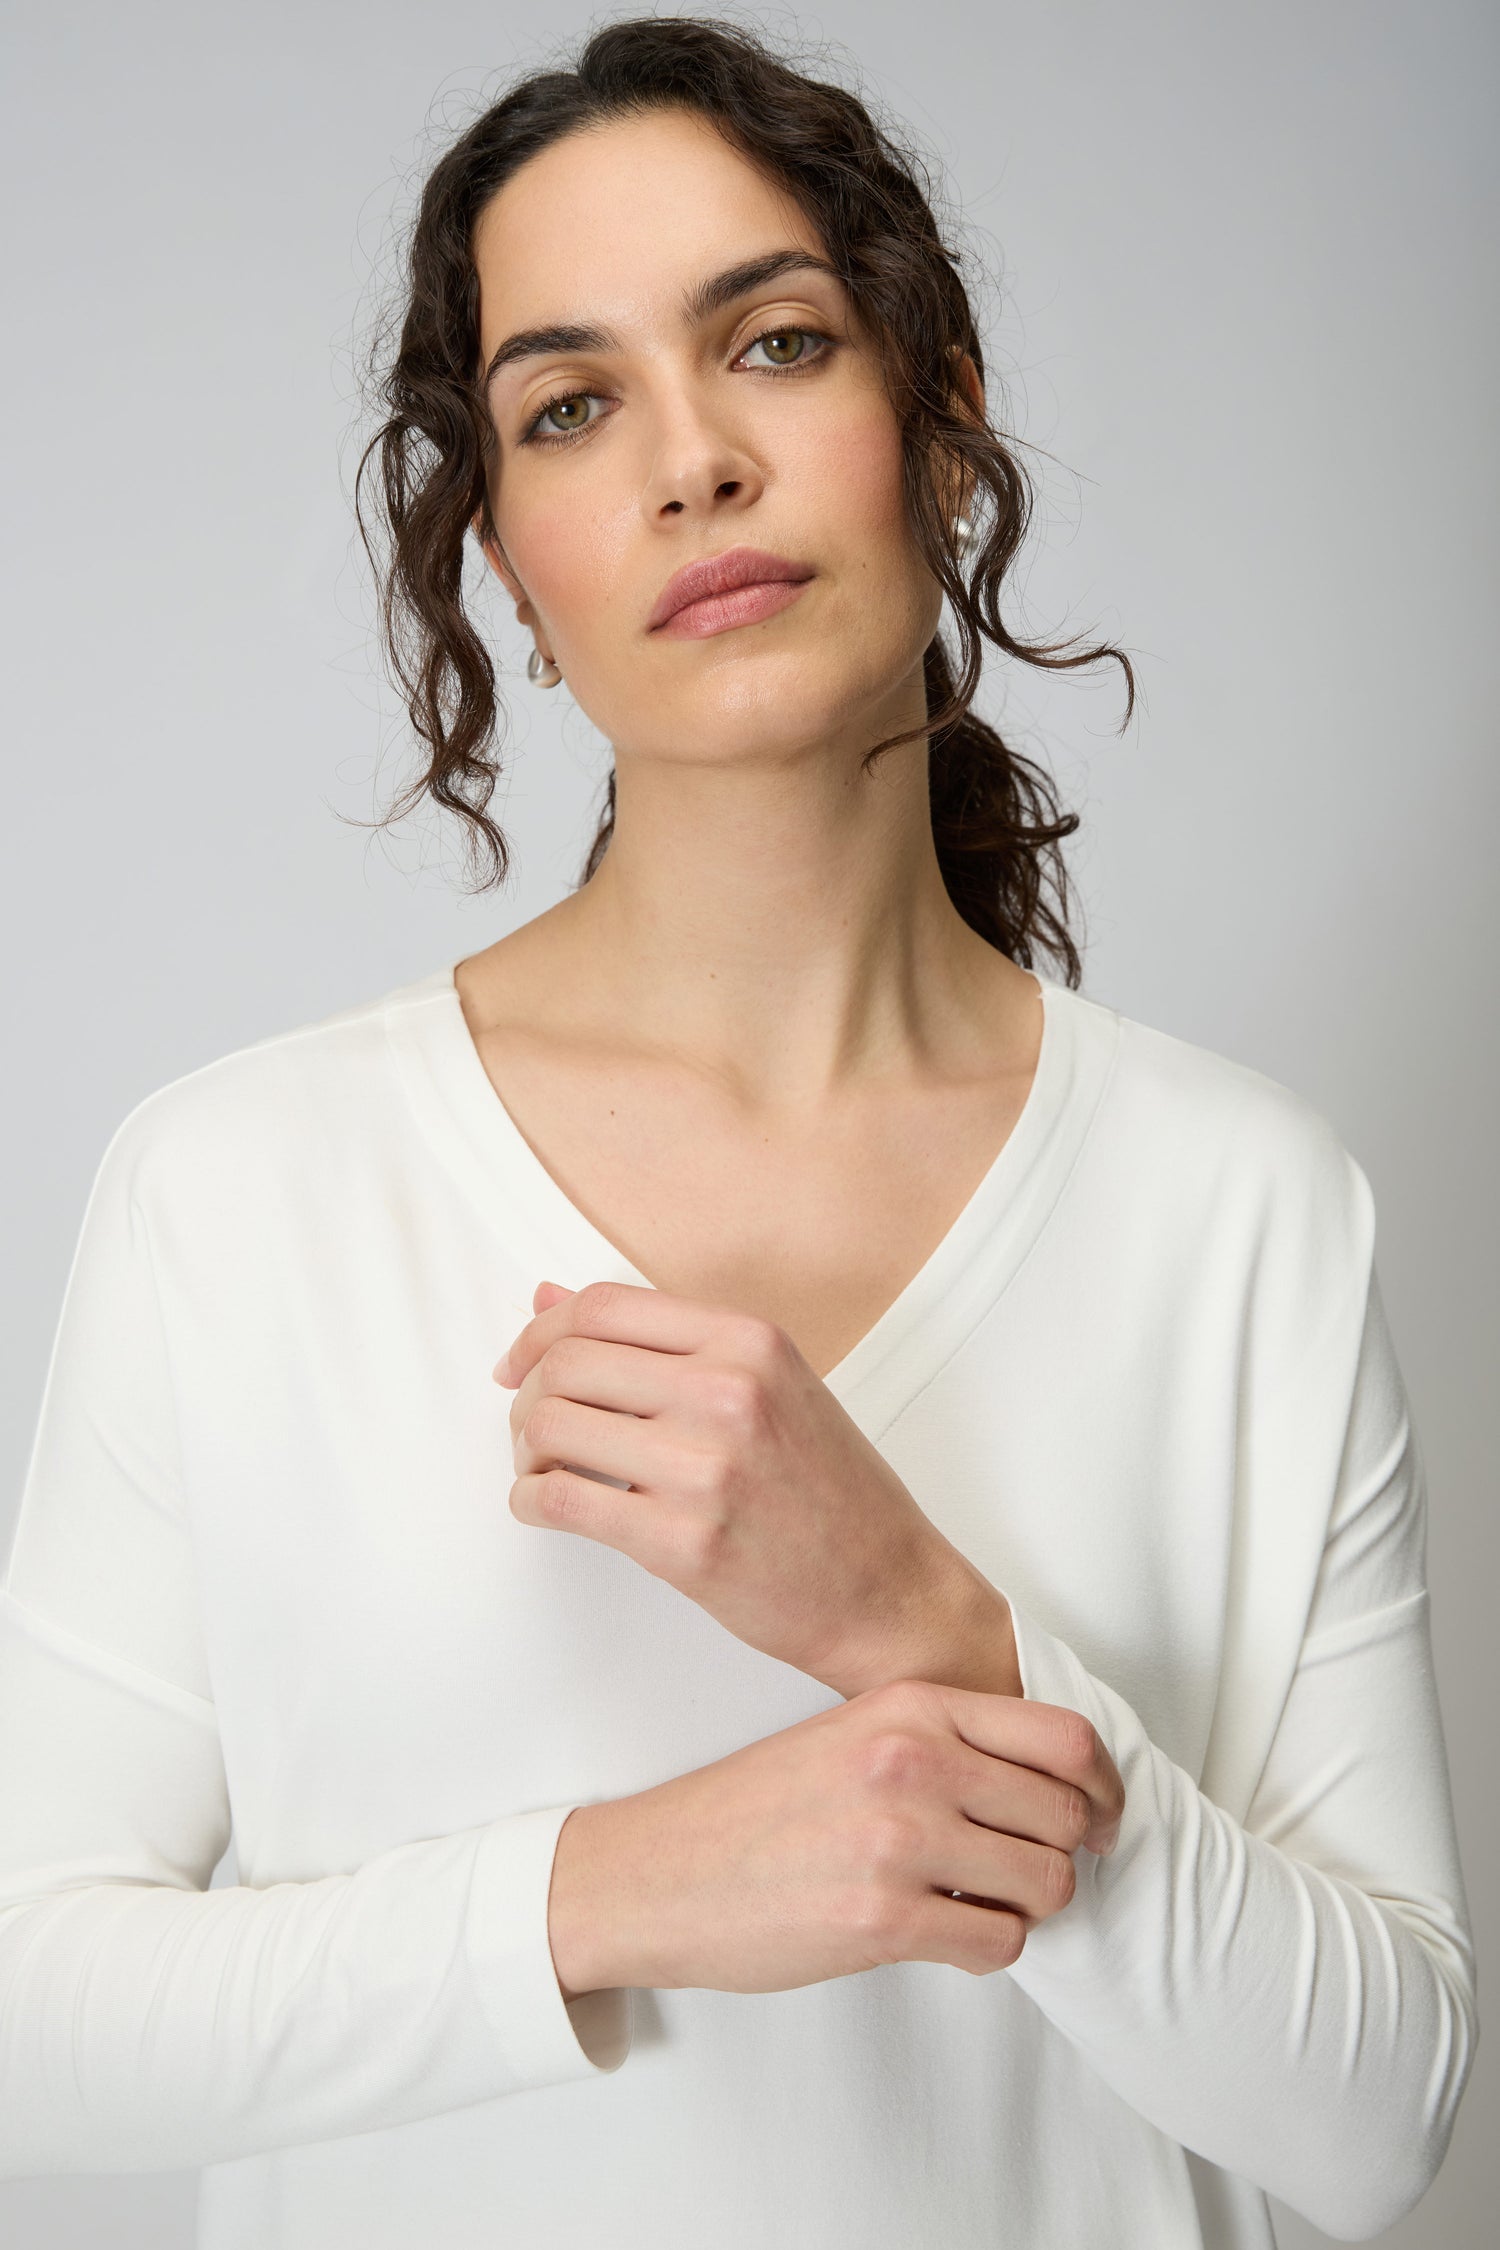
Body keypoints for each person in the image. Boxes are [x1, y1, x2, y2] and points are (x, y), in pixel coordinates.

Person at [0, 16, 1476, 2248]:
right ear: (511, 555)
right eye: (573, 405)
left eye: (773, 344)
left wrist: (932, 1637)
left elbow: (1385, 2133)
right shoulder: (243, 1193)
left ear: (938, 415)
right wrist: (625, 1890)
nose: (690, 462)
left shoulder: (1244, 1205)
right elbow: (29, 2011)